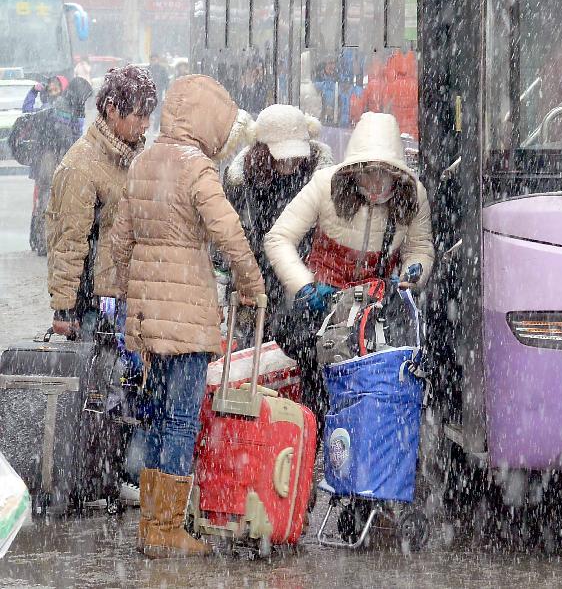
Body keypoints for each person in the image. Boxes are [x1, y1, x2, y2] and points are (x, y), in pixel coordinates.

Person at [111, 74, 265, 559]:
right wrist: (250, 281)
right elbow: (228, 230)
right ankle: (167, 529)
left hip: (148, 319)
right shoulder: (197, 167)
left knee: (158, 417)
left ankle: (152, 525)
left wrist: (130, 295)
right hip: (189, 315)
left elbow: (119, 242)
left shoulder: (142, 162)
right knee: (181, 421)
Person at [264, 112, 435, 435]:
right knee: (320, 391)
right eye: (368, 173)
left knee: (367, 395)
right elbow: (278, 237)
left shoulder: (415, 196)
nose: (376, 183)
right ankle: (316, 455)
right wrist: (304, 287)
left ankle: (356, 463)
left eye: (385, 174)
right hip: (322, 311)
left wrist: (415, 272)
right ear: (354, 170)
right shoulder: (323, 186)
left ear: (398, 174)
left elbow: (420, 248)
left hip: (374, 315)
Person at [45, 67, 157, 340]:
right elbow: (68, 242)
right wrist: (64, 309)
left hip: (127, 296)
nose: (145, 125)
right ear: (111, 109)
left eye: (149, 116)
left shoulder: (131, 156)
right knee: (102, 380)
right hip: (96, 305)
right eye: (139, 115)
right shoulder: (80, 167)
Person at [224, 104, 333, 347]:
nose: (292, 161)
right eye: (285, 155)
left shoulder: (319, 178)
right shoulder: (242, 182)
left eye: (297, 154)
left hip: (305, 280)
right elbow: (232, 235)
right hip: (258, 281)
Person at [28, 77, 93, 256]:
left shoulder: (71, 105)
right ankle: (43, 242)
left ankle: (46, 240)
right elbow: (65, 136)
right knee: (48, 200)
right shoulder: (63, 106)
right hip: (50, 158)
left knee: (52, 200)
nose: (84, 101)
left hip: (56, 157)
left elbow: (76, 133)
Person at [148, 54, 170, 131]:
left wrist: (166, 91)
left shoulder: (162, 69)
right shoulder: (147, 69)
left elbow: (166, 81)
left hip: (159, 93)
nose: (154, 61)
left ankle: (155, 128)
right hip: (148, 94)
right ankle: (147, 128)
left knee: (158, 112)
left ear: (158, 60)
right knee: (148, 111)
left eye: (155, 59)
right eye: (152, 59)